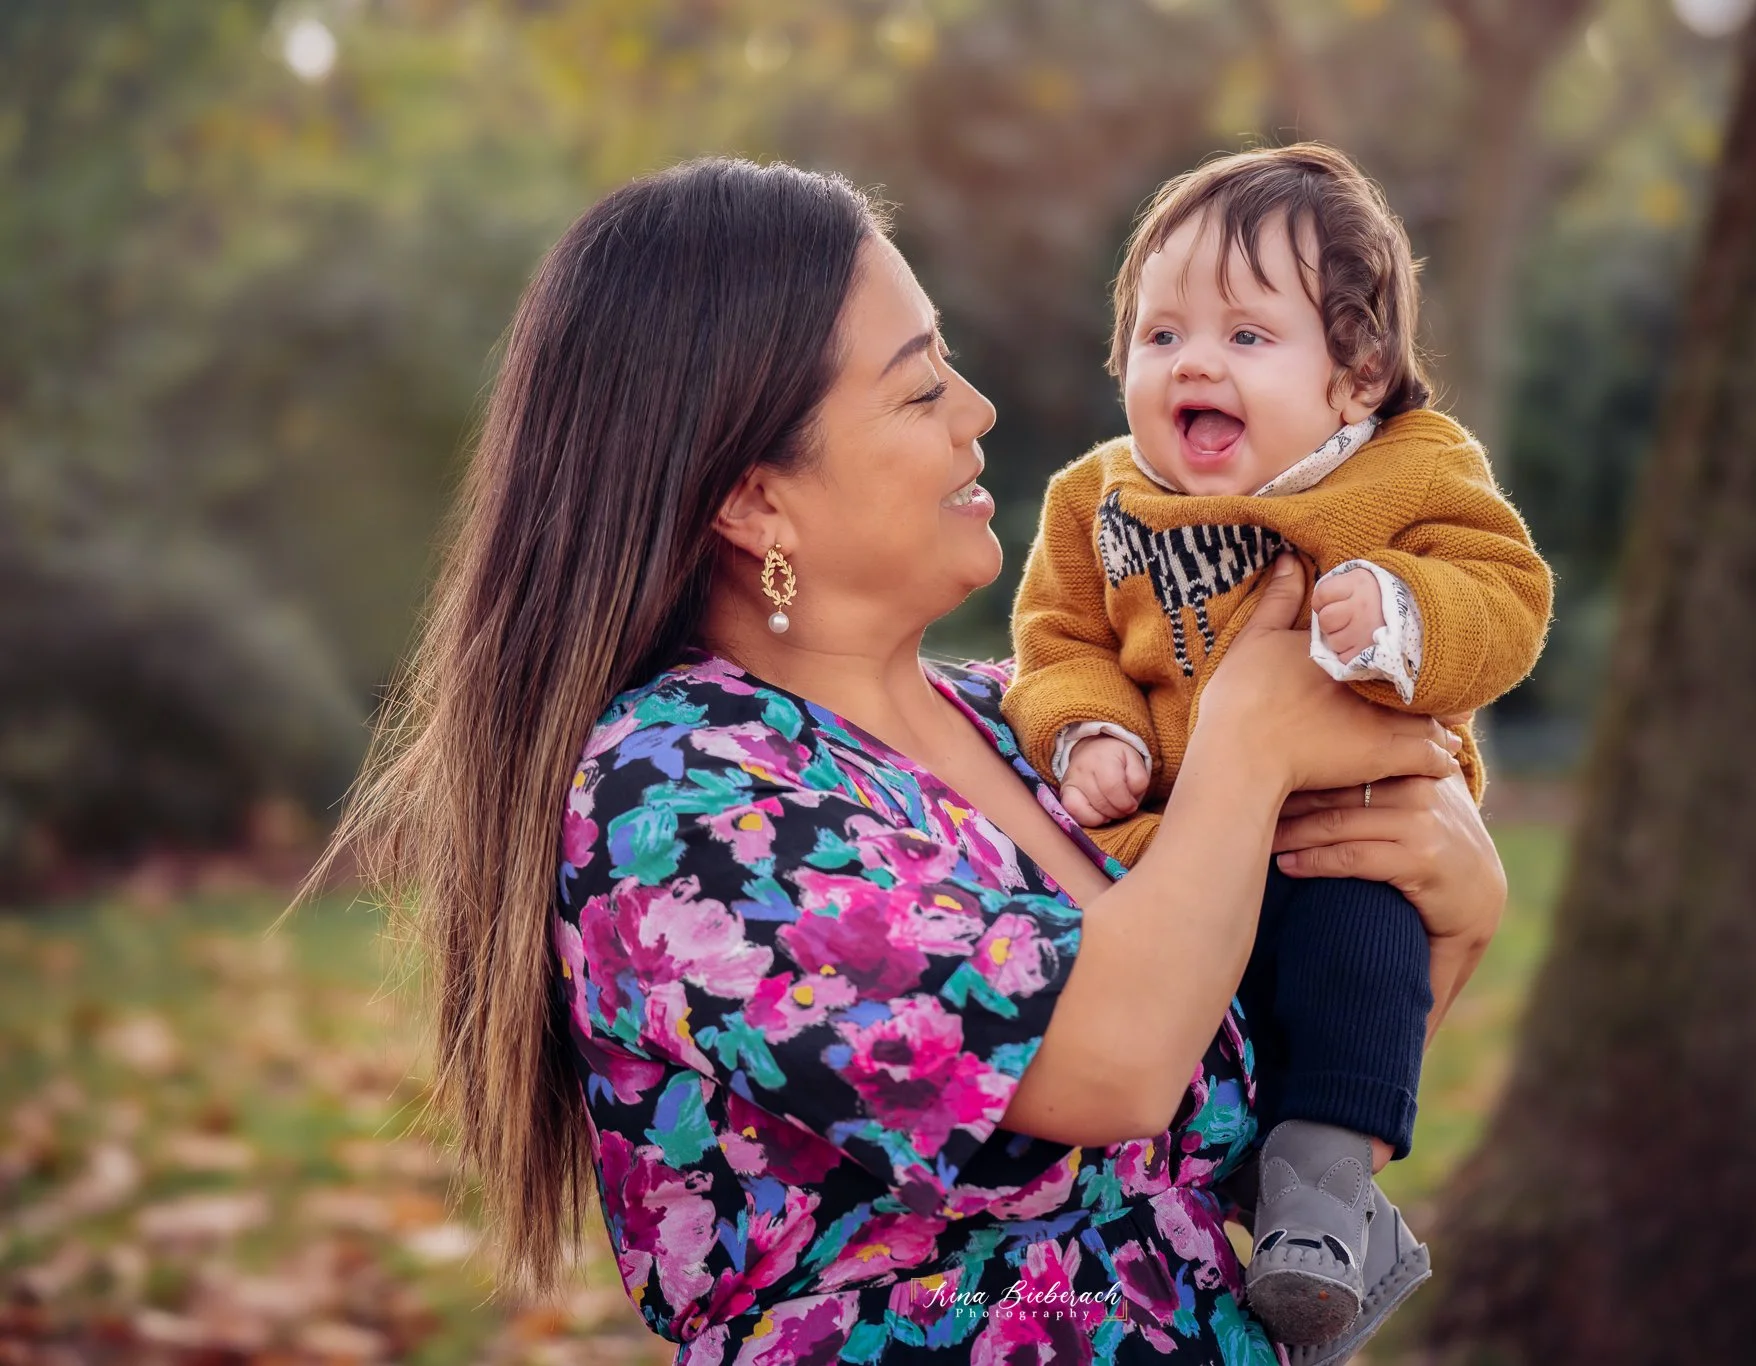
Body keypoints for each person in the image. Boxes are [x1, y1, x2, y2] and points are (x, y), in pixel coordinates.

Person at [322, 157, 1507, 1365]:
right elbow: (1108, 1067)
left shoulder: (1043, 733)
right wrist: (1251, 737)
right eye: (916, 388)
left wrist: (1449, 914)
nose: (977, 411)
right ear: (752, 502)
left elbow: (1240, 1103)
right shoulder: (678, 800)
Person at [1002, 143, 1551, 1346]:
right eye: (1159, 336)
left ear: (1354, 376)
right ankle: (1323, 1224)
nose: (1192, 360)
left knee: (1355, 960)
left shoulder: (1410, 469)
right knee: (1200, 1025)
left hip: (1350, 822)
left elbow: (1504, 594)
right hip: (1174, 840)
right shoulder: (1096, 503)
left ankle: (1321, 1191)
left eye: (1247, 337)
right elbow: (1055, 639)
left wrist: (1400, 608)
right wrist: (1084, 726)